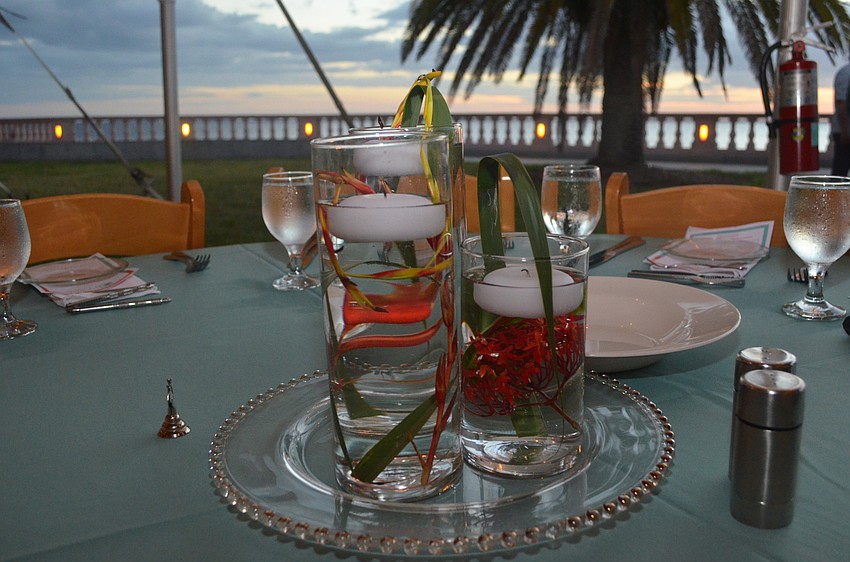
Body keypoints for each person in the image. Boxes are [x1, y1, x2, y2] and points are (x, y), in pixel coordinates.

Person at [830, 58, 850, 176]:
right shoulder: (846, 73)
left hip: (844, 130)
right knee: (839, 175)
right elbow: (840, 103)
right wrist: (845, 131)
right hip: (845, 132)